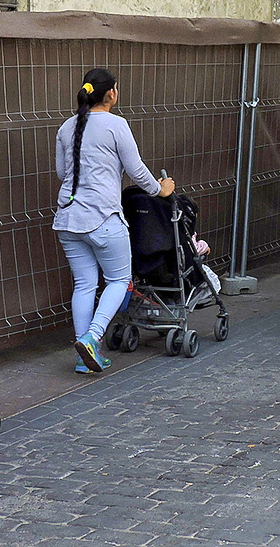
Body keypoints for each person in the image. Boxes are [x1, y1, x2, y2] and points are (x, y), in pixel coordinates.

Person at [54, 68, 174, 375]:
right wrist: (160, 189)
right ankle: (93, 339)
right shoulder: (116, 124)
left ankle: (84, 356)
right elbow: (135, 169)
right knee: (119, 281)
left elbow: (61, 173)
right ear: (112, 94)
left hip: (68, 219)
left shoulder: (67, 127)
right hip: (104, 217)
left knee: (83, 285)